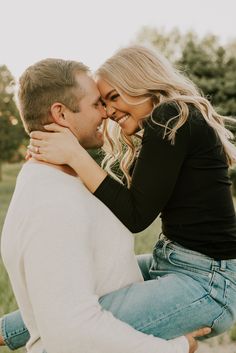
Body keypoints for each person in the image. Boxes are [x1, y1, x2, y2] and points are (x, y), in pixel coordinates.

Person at [24, 45, 236, 338]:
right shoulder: (168, 124)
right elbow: (120, 205)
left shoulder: (171, 116)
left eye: (113, 97)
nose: (109, 112)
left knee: (76, 330)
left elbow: (135, 216)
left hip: (206, 283)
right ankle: (6, 330)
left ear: (141, 85)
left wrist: (75, 156)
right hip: (176, 263)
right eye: (102, 102)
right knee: (71, 296)